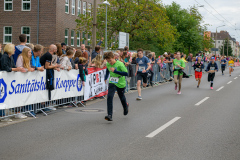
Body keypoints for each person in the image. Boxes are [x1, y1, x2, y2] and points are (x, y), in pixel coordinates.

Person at [1, 44, 26, 121]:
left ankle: (9, 114)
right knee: (2, 97)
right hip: (4, 80)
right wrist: (16, 69)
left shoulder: (10, 57)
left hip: (9, 80)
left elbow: (13, 66)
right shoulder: (4, 57)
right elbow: (5, 68)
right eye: (14, 49)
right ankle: (2, 115)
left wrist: (18, 69)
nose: (15, 50)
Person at [104, 52, 129, 121]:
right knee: (109, 97)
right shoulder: (108, 64)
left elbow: (126, 73)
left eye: (110, 60)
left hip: (120, 81)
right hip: (112, 81)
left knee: (121, 97)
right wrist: (105, 77)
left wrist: (115, 71)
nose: (109, 62)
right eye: (108, 61)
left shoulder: (120, 64)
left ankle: (125, 106)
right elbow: (107, 70)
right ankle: (109, 115)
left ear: (114, 57)